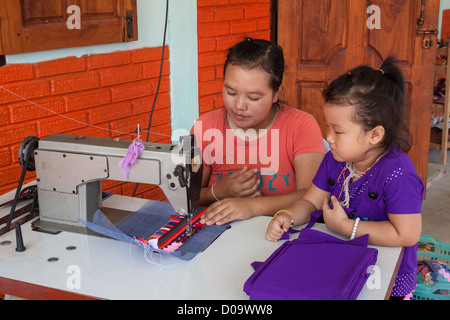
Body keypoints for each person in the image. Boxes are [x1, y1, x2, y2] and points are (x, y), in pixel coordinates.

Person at [266, 56, 424, 299]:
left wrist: (344, 226)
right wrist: (287, 215)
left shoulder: (398, 174)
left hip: (384, 275)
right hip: (343, 262)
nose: (328, 137)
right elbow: (310, 202)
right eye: (328, 127)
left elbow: (406, 234)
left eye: (338, 131)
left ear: (374, 135)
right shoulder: (334, 160)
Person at [191, 38, 325, 227]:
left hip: (282, 234)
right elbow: (186, 196)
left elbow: (313, 197)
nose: (239, 106)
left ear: (276, 93)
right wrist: (218, 191)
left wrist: (252, 207)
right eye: (230, 92)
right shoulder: (206, 126)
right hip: (218, 236)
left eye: (253, 97)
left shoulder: (301, 125)